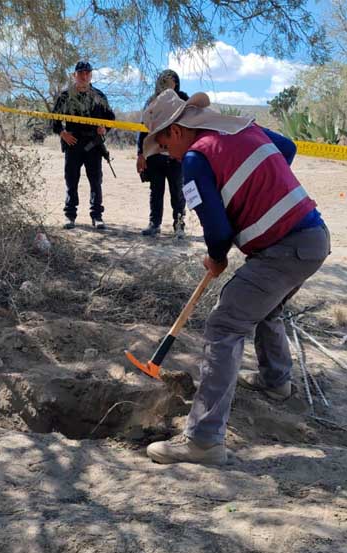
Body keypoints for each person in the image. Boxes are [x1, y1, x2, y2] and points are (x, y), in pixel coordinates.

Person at [140, 90, 330, 465]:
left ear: (176, 130)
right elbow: (286, 148)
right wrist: (258, 186)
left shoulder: (196, 158)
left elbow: (217, 230)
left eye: (163, 144)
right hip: (313, 239)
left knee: (225, 324)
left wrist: (215, 258)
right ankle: (276, 381)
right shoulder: (241, 129)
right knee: (265, 306)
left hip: (285, 249)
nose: (167, 154)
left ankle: (204, 440)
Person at [51, 61, 115, 230]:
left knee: (95, 181)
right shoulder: (65, 96)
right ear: (75, 75)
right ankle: (70, 215)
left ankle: (97, 216)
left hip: (93, 145)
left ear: (91, 75)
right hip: (73, 144)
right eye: (81, 73)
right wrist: (63, 133)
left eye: (87, 73)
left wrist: (104, 128)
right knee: (71, 180)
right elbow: (54, 120)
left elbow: (110, 118)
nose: (84, 76)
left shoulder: (99, 96)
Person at [136, 70, 189, 238]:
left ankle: (179, 226)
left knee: (177, 193)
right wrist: (140, 154)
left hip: (176, 157)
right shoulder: (151, 102)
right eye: (163, 80)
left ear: (176, 83)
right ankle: (154, 224)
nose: (167, 84)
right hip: (155, 155)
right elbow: (143, 129)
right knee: (156, 192)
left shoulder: (184, 100)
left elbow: (189, 128)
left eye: (170, 80)